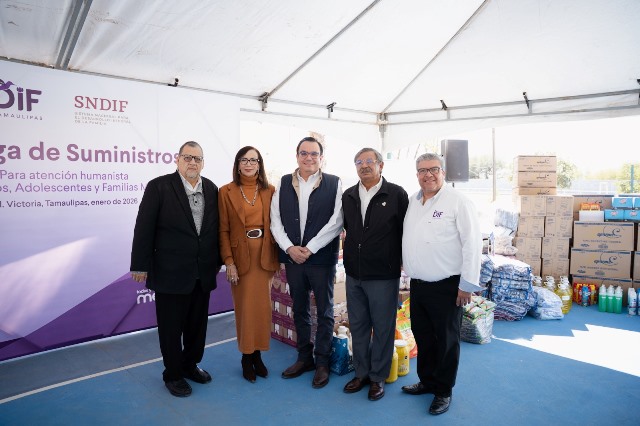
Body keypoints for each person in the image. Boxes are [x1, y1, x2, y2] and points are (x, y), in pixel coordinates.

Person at [130, 141, 221, 398]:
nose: (192, 162)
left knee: (197, 326)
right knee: (171, 329)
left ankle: (190, 365)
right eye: (187, 157)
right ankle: (172, 374)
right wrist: (139, 264)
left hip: (202, 272)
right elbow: (144, 227)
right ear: (177, 160)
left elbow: (215, 229)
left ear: (203, 163)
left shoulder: (212, 188)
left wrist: (219, 262)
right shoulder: (159, 186)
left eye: (197, 158)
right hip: (170, 272)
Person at [401, 152, 482, 415]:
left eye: (434, 169)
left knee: (446, 341)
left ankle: (443, 391)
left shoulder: (458, 201)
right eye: (423, 170)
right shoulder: (413, 201)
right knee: (423, 335)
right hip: (419, 284)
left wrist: (467, 284)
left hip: (447, 285)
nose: (428, 175)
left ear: (443, 172)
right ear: (417, 175)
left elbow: (472, 244)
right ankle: (427, 381)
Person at [270, 136, 344, 389]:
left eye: (314, 154)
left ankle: (322, 361)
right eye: (304, 153)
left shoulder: (334, 182)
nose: (309, 158)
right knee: (299, 309)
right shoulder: (283, 183)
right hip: (293, 258)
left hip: (321, 259)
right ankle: (304, 358)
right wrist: (289, 248)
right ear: (297, 156)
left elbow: (337, 221)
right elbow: (275, 220)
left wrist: (310, 248)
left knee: (324, 311)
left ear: (321, 158)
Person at [341, 148, 408, 401]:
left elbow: (406, 232)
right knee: (358, 326)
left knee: (382, 327)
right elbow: (345, 228)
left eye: (370, 161)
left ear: (381, 165)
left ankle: (378, 376)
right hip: (354, 273)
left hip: (383, 274)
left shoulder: (396, 194)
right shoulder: (348, 195)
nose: (364, 165)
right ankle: (361, 373)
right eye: (359, 161)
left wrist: (403, 264)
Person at [218, 146, 279, 383]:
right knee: (244, 309)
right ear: (237, 164)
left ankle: (258, 355)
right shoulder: (226, 191)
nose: (249, 164)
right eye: (244, 160)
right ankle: (246, 356)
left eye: (253, 160)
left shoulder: (270, 190)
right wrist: (229, 262)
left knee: (262, 309)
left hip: (264, 256)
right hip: (240, 259)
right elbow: (223, 230)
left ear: (260, 164)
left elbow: (277, 225)